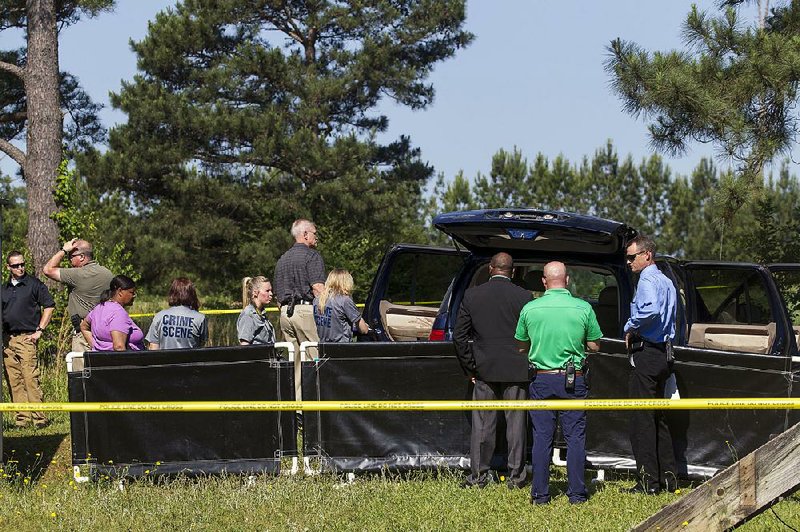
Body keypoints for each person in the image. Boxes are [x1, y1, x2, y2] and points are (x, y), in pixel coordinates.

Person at [515, 261, 602, 505]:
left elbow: (521, 346)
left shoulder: (530, 309)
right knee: (575, 437)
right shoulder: (583, 308)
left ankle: (540, 495)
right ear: (567, 280)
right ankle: (576, 495)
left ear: (544, 281)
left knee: (542, 437)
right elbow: (595, 345)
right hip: (573, 379)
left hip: (541, 378)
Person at [453, 252, 532, 489]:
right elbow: (531, 335)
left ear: (490, 268)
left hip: (484, 370)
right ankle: (516, 477)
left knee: (482, 426)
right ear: (513, 271)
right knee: (516, 427)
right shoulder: (525, 297)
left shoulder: (472, 295)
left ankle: (478, 477)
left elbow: (459, 336)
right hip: (516, 370)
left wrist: (470, 367)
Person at [623, 234, 677, 495]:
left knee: (641, 419)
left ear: (647, 255)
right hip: (664, 354)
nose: (628, 262)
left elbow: (651, 310)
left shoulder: (646, 279)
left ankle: (647, 483)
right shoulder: (666, 280)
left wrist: (630, 327)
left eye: (632, 257)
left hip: (648, 353)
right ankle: (668, 478)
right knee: (659, 418)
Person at [1, 251, 55, 428]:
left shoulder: (34, 284)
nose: (20, 268)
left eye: (22, 264)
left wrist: (39, 330)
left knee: (30, 378)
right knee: (13, 380)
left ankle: (40, 418)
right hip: (8, 339)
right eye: (16, 265)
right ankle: (22, 419)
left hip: (27, 338)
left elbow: (49, 305)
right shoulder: (4, 288)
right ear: (8, 267)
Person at [43, 238, 114, 353]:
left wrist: (64, 250)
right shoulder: (108, 273)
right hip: (106, 331)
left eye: (71, 256)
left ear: (81, 257)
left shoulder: (77, 274)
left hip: (83, 333)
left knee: (81, 370)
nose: (69, 260)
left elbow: (47, 270)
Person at [273, 219, 326, 358]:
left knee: (295, 360)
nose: (317, 237)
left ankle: (297, 381)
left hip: (285, 314)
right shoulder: (312, 256)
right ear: (306, 234)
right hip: (305, 312)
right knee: (314, 357)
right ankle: (315, 381)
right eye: (315, 233)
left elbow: (278, 296)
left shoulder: (282, 260)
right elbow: (318, 289)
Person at [80, 275, 144, 351]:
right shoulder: (118, 312)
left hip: (102, 359)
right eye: (132, 292)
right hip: (121, 361)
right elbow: (119, 347)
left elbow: (84, 326)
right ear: (120, 291)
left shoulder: (99, 307)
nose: (134, 296)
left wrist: (95, 347)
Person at [146, 278, 208, 350]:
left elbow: (153, 347)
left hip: (165, 361)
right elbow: (201, 345)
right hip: (190, 361)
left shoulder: (159, 316)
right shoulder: (200, 318)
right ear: (192, 294)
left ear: (172, 293)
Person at [313, 269, 368, 343]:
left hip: (323, 347)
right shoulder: (344, 300)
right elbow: (364, 330)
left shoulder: (317, 300)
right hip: (341, 347)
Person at [237, 276, 276, 346]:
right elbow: (244, 345)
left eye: (271, 290)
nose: (271, 294)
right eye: (267, 291)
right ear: (255, 293)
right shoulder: (248, 315)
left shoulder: (261, 313)